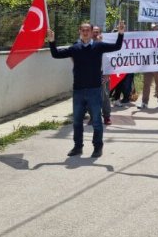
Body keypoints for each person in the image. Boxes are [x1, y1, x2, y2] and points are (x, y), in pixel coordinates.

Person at [47, 21, 125, 158]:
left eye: (87, 30)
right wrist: (52, 41)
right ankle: (78, 147)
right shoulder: (74, 48)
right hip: (78, 90)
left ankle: (97, 147)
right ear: (79, 32)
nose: (85, 32)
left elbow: (117, 46)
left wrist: (121, 33)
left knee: (96, 121)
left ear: (91, 32)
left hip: (94, 90)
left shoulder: (98, 46)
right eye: (82, 30)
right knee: (77, 121)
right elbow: (56, 54)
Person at [92, 26, 112, 125]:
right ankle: (94, 117)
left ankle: (107, 116)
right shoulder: (88, 45)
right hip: (91, 75)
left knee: (104, 96)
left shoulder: (104, 46)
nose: (95, 34)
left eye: (97, 32)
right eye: (94, 32)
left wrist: (106, 75)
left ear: (100, 34)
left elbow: (109, 61)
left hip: (103, 74)